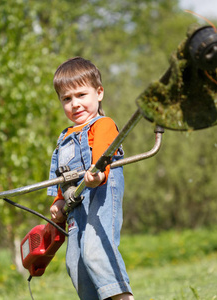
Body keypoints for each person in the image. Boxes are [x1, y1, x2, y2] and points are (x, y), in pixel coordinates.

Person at [47, 57, 134, 300]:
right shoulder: (63, 138)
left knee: (95, 251)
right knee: (76, 264)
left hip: (99, 196)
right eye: (67, 98)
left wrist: (97, 175)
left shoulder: (103, 125)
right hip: (76, 207)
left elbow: (102, 160)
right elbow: (61, 176)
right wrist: (58, 201)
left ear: (99, 93)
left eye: (81, 95)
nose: (75, 104)